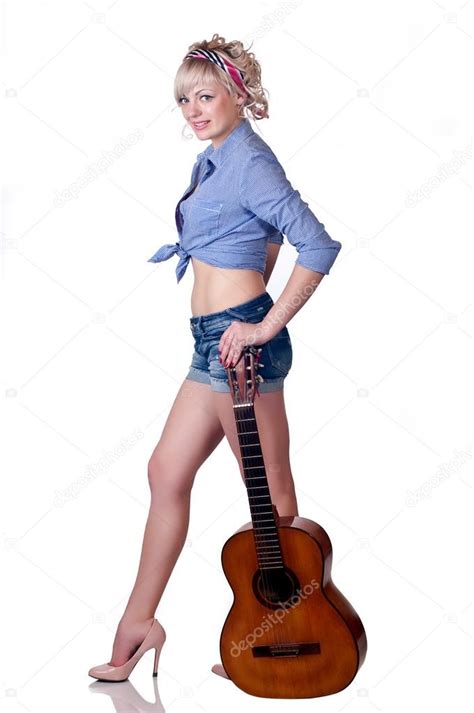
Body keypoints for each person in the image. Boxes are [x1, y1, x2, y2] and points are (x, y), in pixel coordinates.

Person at [88, 33, 342, 682]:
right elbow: (264, 240)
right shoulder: (216, 159)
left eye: (205, 95)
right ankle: (142, 622)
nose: (193, 109)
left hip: (242, 345)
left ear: (238, 94)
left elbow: (316, 244)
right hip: (212, 344)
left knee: (274, 496)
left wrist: (261, 324)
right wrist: (243, 312)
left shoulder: (250, 160)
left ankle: (286, 635)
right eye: (183, 99)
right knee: (165, 471)